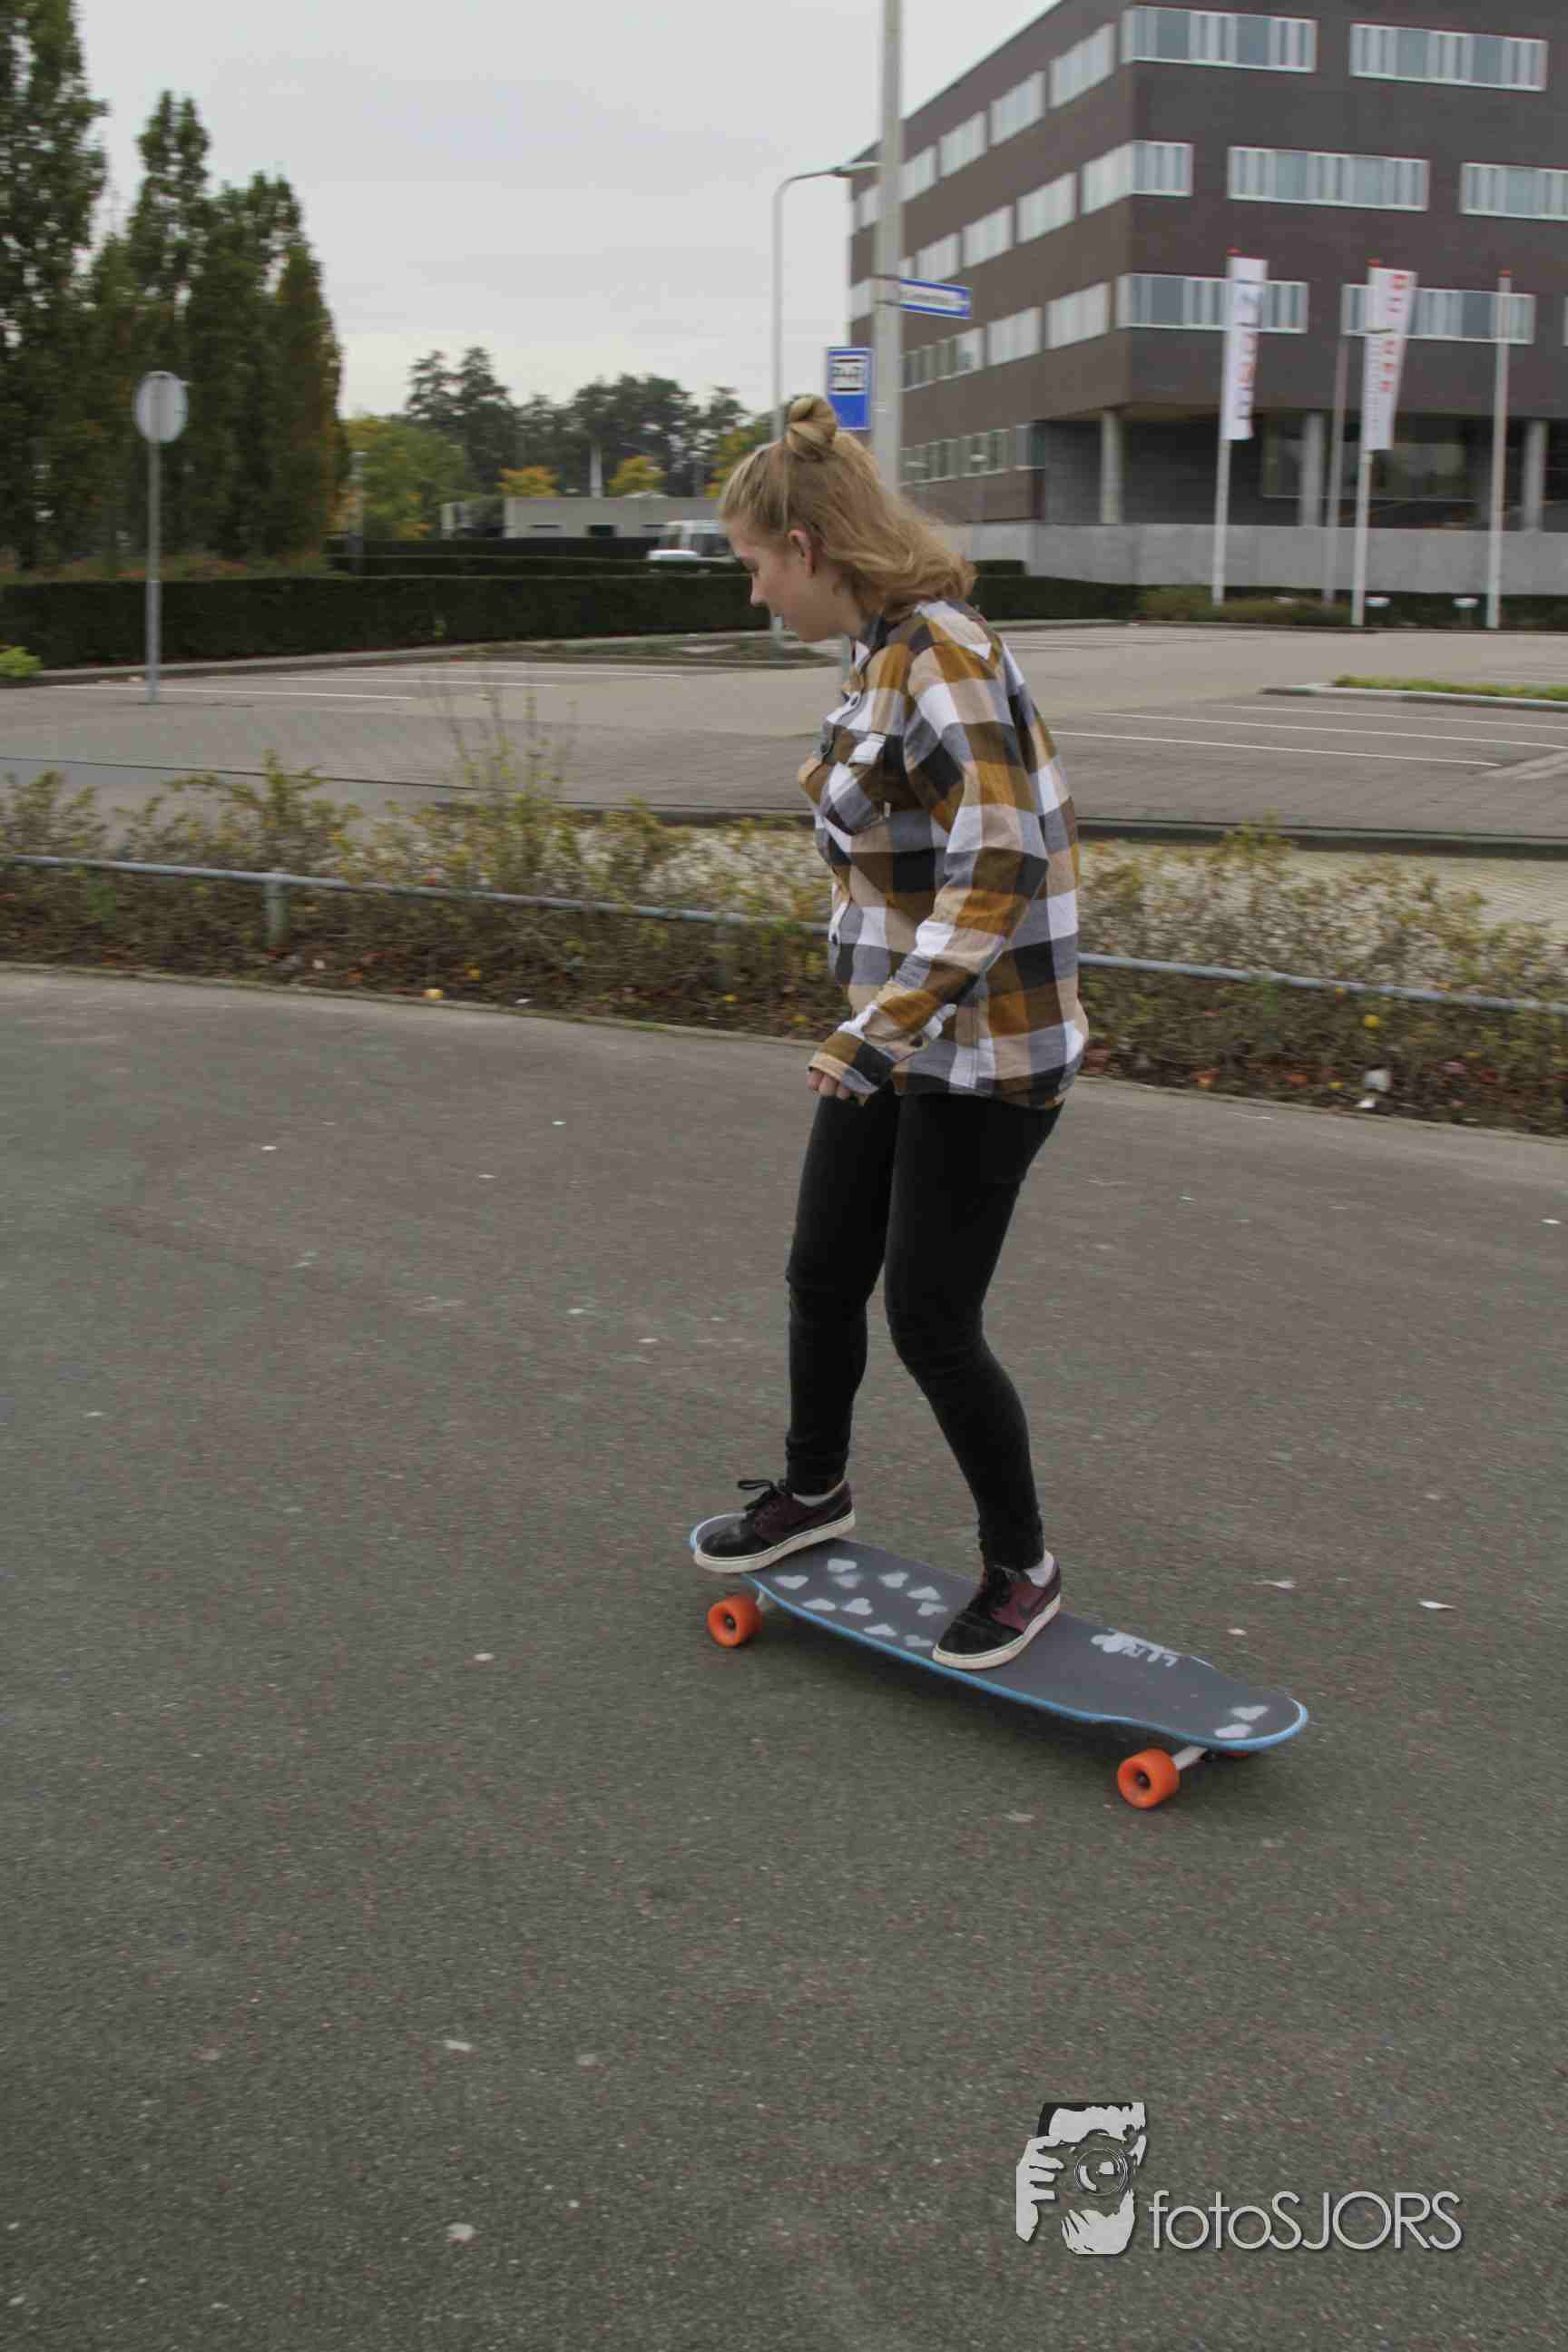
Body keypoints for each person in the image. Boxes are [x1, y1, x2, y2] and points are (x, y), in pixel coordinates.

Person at [691, 393, 1087, 1670]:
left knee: (928, 1317)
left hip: (987, 1048)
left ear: (807, 549)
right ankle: (815, 1491)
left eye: (755, 564)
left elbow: (1001, 857)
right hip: (895, 1033)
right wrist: (875, 1023)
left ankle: (1023, 1567)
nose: (755, 591)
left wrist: (882, 1031)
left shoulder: (942, 652)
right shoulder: (871, 654)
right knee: (822, 1270)